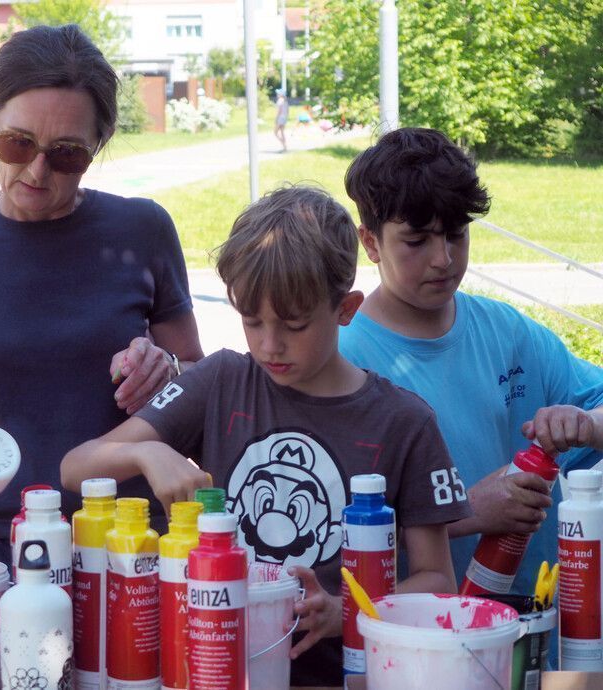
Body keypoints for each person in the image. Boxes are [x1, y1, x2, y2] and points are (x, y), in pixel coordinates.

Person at [61, 185, 469, 687]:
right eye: (252, 322)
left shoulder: (404, 421)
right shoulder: (221, 381)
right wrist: (146, 451)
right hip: (211, 669)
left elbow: (438, 580)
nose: (269, 345)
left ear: (346, 308)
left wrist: (345, 611)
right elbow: (75, 466)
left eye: (294, 325)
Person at [0, 24, 204, 565]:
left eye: (66, 154)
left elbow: (198, 379)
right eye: (18, 142)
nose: (37, 170)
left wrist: (167, 370)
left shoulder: (141, 230)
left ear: (98, 145)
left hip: (123, 533)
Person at [339, 127, 603, 608]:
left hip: (546, 626)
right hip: (425, 642)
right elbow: (338, 536)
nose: (443, 259)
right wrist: (465, 513)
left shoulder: (506, 330)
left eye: (456, 234)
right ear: (370, 243)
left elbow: (598, 402)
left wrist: (585, 424)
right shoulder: (344, 360)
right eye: (416, 241)